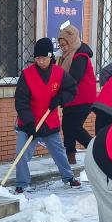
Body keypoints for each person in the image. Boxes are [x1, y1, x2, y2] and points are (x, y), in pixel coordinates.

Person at [13, 37, 79, 193]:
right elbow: (21, 102)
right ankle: (21, 182)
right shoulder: (27, 75)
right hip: (29, 123)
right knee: (21, 154)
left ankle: (68, 177)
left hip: (49, 121)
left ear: (51, 56)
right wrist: (29, 122)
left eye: (43, 58)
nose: (40, 61)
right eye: (37, 58)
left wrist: (60, 98)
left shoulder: (59, 73)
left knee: (59, 153)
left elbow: (72, 89)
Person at [56, 25, 97, 164]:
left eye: (65, 45)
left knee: (74, 128)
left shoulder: (80, 56)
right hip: (72, 99)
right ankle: (70, 156)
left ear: (71, 41)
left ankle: (96, 150)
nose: (63, 48)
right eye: (61, 45)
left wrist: (59, 93)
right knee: (67, 126)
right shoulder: (66, 56)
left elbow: (74, 78)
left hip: (83, 99)